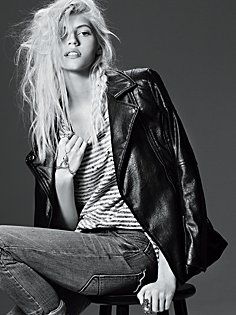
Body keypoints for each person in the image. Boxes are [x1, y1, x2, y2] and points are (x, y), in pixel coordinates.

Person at [0, 0, 227, 314]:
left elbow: (182, 179)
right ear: (49, 48)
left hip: (136, 249)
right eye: (62, 35)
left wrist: (169, 272)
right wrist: (64, 179)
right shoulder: (53, 128)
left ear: (98, 45)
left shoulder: (137, 91)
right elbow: (67, 230)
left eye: (83, 33)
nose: (73, 42)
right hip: (88, 251)